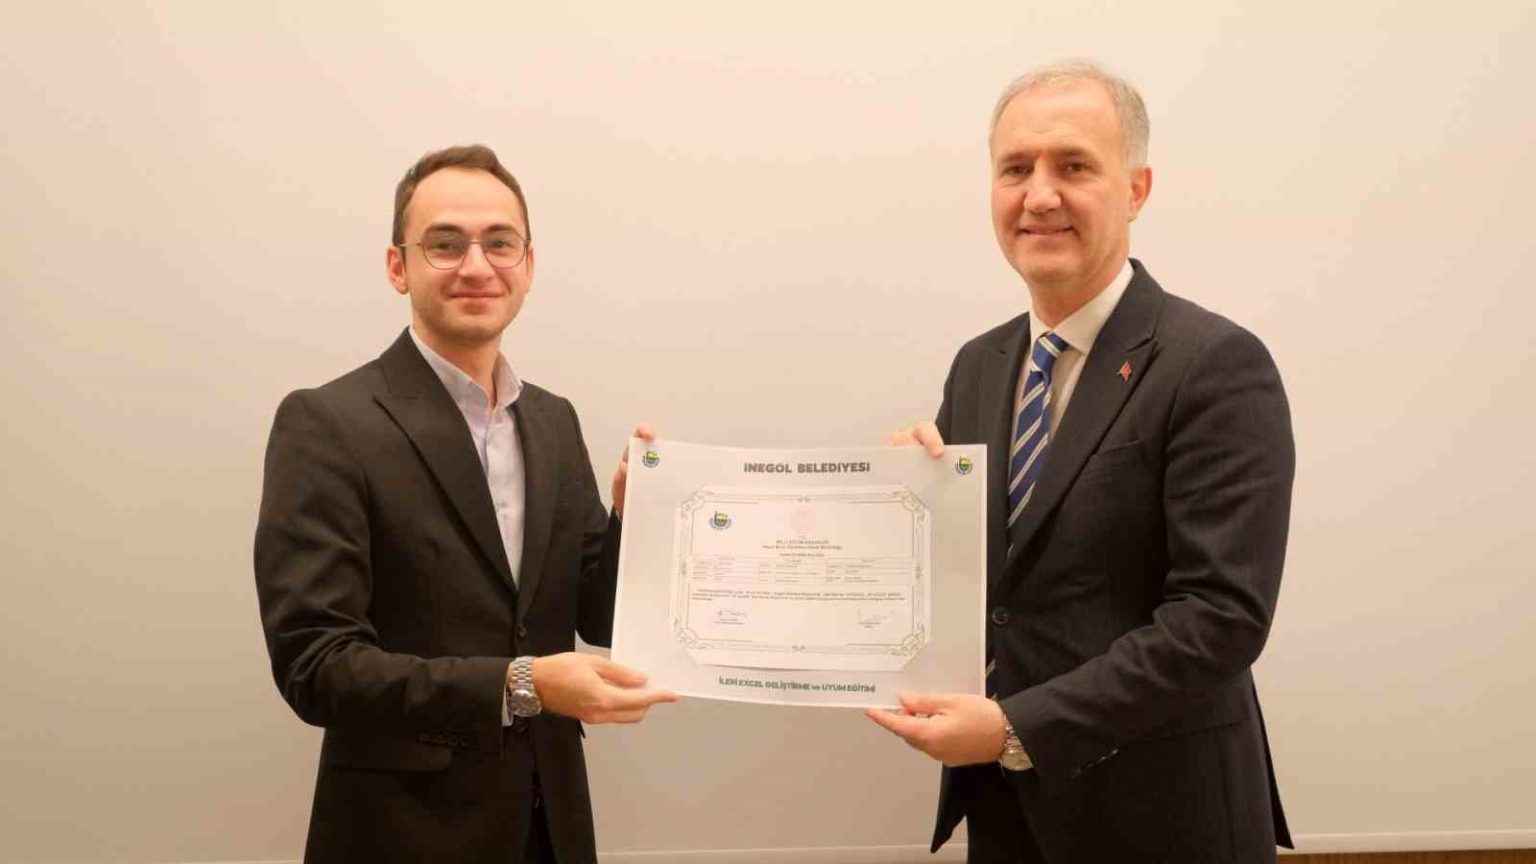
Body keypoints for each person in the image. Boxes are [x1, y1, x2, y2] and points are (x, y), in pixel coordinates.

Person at [868, 62, 1295, 862]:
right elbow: (993, 589)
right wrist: (906, 510)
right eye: (1014, 169)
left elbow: (1220, 617)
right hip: (1006, 814)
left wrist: (1016, 728)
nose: (1039, 196)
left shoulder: (1214, 363)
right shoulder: (980, 365)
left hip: (1163, 820)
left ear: (1136, 190)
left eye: (1073, 166)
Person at [254, 144, 676, 864]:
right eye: (445, 244)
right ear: (399, 267)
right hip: (401, 835)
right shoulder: (327, 423)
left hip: (553, 829)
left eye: (499, 243)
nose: (477, 266)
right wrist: (523, 684)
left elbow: (599, 616)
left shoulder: (553, 421)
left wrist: (639, 521)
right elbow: (316, 667)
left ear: (528, 266)